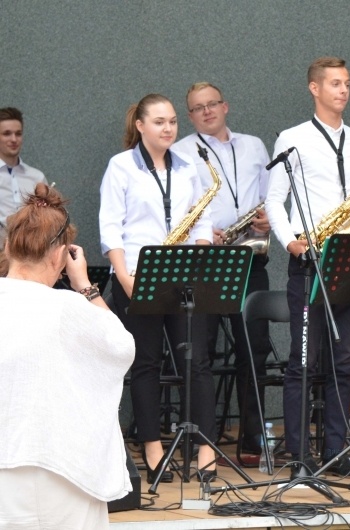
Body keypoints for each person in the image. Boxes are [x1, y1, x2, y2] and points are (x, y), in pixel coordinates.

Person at [265, 56, 350, 478]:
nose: (343, 90)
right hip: (310, 259)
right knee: (304, 361)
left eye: (347, 83)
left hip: (349, 258)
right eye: (334, 84)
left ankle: (336, 448)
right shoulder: (292, 139)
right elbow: (275, 198)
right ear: (314, 88)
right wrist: (291, 242)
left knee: (344, 359)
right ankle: (299, 453)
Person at [0, 183, 134, 529]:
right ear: (61, 255)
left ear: (8, 246)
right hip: (56, 470)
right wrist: (85, 286)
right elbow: (121, 346)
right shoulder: (67, 307)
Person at [99, 93, 218, 483]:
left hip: (184, 275)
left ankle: (204, 447)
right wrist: (124, 277)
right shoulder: (121, 166)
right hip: (137, 273)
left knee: (197, 362)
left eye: (172, 122)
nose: (168, 128)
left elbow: (202, 220)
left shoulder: (187, 168)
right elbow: (111, 226)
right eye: (159, 122)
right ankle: (152, 447)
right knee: (146, 364)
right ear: (140, 126)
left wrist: (200, 252)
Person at [173, 82, 272, 454]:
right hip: (206, 260)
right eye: (198, 108)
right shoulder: (181, 152)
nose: (207, 112)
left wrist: (267, 219)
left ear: (225, 106)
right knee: (201, 353)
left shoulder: (254, 146)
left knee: (254, 348)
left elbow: (269, 195)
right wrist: (201, 232)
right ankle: (201, 441)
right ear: (190, 116)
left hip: (249, 256)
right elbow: (180, 205)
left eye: (212, 104)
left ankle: (251, 440)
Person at [0, 107, 48, 244]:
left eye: (18, 133)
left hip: (30, 255)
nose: (14, 139)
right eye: (7, 133)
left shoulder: (36, 177)